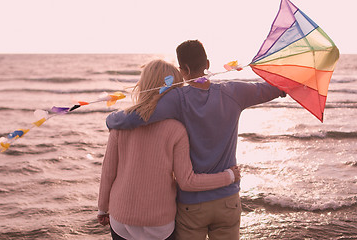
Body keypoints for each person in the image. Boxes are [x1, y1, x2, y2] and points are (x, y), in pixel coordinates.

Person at [106, 40, 286, 239]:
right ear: (207, 64)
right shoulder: (234, 92)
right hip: (227, 199)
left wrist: (111, 119)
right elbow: (271, 88)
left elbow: (137, 116)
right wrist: (287, 85)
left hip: (192, 204)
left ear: (183, 70)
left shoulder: (176, 99)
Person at [97, 59, 241, 240]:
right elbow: (187, 181)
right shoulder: (176, 129)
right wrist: (229, 176)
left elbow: (108, 172)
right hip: (159, 223)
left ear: (144, 84)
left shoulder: (121, 123)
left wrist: (102, 208)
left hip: (122, 219)